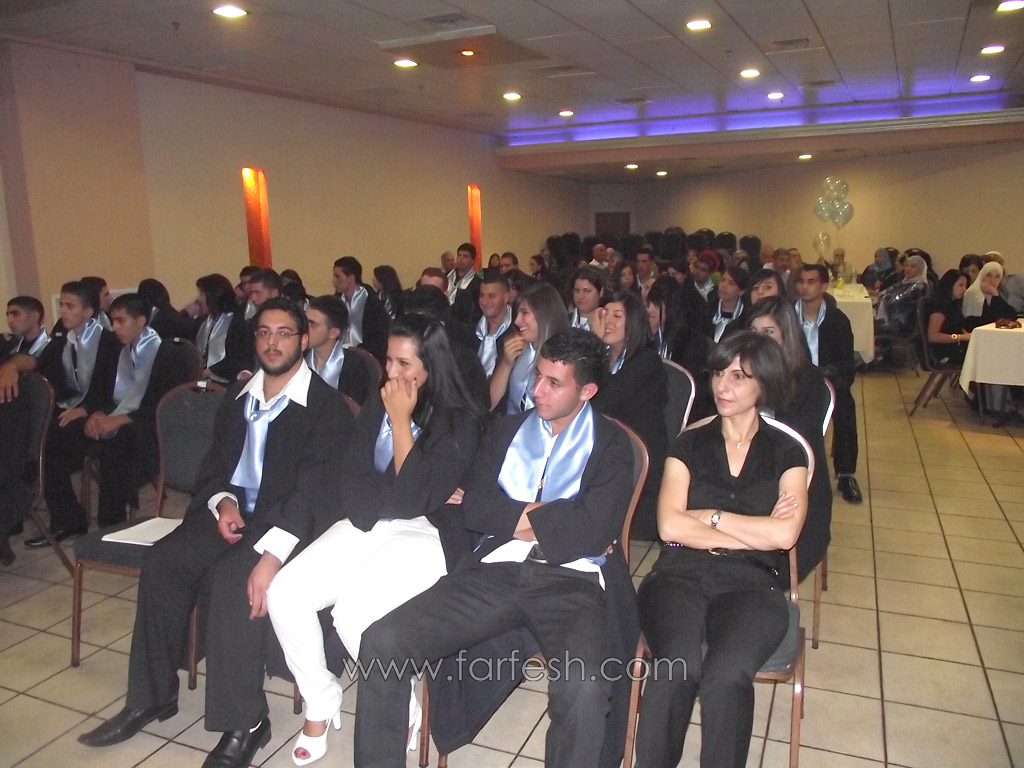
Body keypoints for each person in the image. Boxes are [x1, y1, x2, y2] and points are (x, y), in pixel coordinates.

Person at [78, 298, 353, 768]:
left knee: (232, 582)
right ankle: (151, 696)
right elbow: (215, 466)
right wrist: (222, 501)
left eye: (284, 333)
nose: (272, 342)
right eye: (264, 332)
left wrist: (272, 556)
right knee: (164, 562)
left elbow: (315, 494)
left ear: (304, 340)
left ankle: (246, 722)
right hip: (232, 513)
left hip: (288, 525)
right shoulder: (240, 396)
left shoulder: (327, 408)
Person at [353, 329, 637, 768]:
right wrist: (556, 514)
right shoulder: (506, 430)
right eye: (537, 375)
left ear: (587, 391)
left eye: (553, 383)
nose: (536, 390)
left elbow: (592, 531)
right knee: (382, 641)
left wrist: (515, 515)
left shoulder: (612, 446)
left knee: (583, 686)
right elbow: (476, 509)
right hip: (495, 570)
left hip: (572, 581)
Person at [267, 314, 485, 766]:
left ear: (431, 366)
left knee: (356, 616)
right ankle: (321, 698)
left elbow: (418, 498)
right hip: (368, 519)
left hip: (428, 533)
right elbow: (351, 476)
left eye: (405, 364)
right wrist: (398, 494)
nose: (392, 373)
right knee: (284, 592)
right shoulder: (376, 401)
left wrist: (401, 422)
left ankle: (403, 709)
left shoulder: (459, 419)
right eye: (389, 360)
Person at [635, 331, 808, 768]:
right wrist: (755, 530)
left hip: (753, 586)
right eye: (718, 374)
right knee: (676, 667)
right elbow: (669, 525)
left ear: (764, 384)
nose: (722, 386)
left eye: (738, 376)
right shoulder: (688, 443)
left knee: (727, 675)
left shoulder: (787, 452)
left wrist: (709, 516)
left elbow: (785, 537)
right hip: (678, 575)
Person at [85, 294, 195, 528]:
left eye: (121, 321)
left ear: (141, 321)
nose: (114, 328)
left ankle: (111, 524)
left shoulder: (167, 353)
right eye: (112, 321)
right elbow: (106, 392)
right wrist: (98, 413)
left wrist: (122, 419)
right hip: (127, 421)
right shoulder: (118, 351)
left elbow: (168, 403)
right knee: (91, 436)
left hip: (155, 426)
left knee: (118, 447)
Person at [25, 281, 121, 546]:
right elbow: (45, 374)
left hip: (101, 411)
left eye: (70, 306)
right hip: (70, 410)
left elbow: (115, 388)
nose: (63, 311)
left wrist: (86, 409)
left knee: (51, 442)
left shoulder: (109, 342)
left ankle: (68, 520)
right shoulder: (60, 342)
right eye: (62, 305)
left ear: (88, 311)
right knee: (36, 433)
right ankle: (64, 517)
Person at [746, 297, 832, 581]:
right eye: (753, 332)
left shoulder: (807, 379)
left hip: (792, 482)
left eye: (768, 332)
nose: (759, 341)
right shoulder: (740, 373)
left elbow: (796, 447)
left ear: (787, 336)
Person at [592, 291, 667, 540]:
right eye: (604, 314)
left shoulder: (647, 361)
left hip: (638, 464)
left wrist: (594, 343)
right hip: (610, 451)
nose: (608, 321)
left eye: (617, 316)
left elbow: (602, 404)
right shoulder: (606, 359)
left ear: (633, 322)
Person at [794, 265, 862, 503]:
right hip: (794, 383)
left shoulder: (837, 320)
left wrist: (828, 379)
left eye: (811, 282)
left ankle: (846, 474)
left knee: (845, 409)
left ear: (824, 286)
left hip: (828, 381)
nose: (804, 287)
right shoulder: (787, 317)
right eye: (801, 281)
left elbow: (846, 363)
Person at [489, 282, 568, 413]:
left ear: (544, 315)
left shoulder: (566, 357)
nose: (517, 321)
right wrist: (506, 364)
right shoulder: (515, 347)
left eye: (524, 313)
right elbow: (490, 403)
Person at [304, 295, 371, 405]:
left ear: (333, 333)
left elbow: (354, 410)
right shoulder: (298, 356)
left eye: (312, 324)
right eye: (304, 321)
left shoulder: (354, 367)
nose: (304, 328)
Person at [194, 274, 252, 384]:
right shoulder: (202, 322)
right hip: (201, 383)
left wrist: (212, 370)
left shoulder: (237, 324)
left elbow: (239, 359)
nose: (198, 299)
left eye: (202, 294)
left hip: (225, 385)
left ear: (213, 297)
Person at [333, 256, 390, 363]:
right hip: (339, 355)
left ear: (351, 277)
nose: (334, 281)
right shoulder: (335, 302)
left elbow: (380, 337)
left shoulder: (372, 302)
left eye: (338, 277)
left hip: (366, 356)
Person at [875, 254, 929, 335]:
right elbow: (885, 292)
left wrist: (885, 298)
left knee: (868, 324)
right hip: (893, 319)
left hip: (902, 324)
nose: (908, 269)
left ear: (920, 269)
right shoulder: (905, 282)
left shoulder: (919, 286)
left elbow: (895, 301)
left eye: (913, 266)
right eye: (906, 266)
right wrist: (885, 297)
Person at [926, 270, 971, 366]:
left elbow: (958, 328)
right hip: (941, 351)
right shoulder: (939, 306)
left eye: (965, 286)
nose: (964, 289)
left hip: (953, 347)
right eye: (961, 285)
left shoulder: (953, 305)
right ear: (950, 284)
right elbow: (933, 336)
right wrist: (961, 337)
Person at [475, 272, 512, 378]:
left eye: (491, 296)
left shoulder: (517, 333)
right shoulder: (470, 333)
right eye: (481, 295)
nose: (484, 302)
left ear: (506, 297)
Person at [963, 261, 1017, 331]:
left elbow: (1012, 314)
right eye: (988, 275)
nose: (992, 280)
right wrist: (995, 295)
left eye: (997, 277)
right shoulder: (973, 292)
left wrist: (995, 295)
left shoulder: (997, 292)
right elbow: (991, 318)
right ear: (982, 276)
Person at [706, 266, 749, 343]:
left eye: (731, 283)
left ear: (741, 291)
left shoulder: (746, 317)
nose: (724, 286)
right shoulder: (706, 309)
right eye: (722, 280)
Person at [1, 296, 50, 362]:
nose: (9, 320)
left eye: (16, 314)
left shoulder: (53, 347)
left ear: (35, 316)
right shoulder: (10, 348)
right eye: (8, 315)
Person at [447, 243, 482, 325]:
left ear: (472, 261)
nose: (461, 259)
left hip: (465, 324)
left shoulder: (478, 283)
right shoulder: (446, 277)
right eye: (459, 255)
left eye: (465, 256)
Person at [569, 266, 605, 330]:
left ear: (601, 292)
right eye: (577, 291)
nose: (580, 296)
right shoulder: (561, 321)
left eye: (587, 291)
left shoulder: (607, 324)